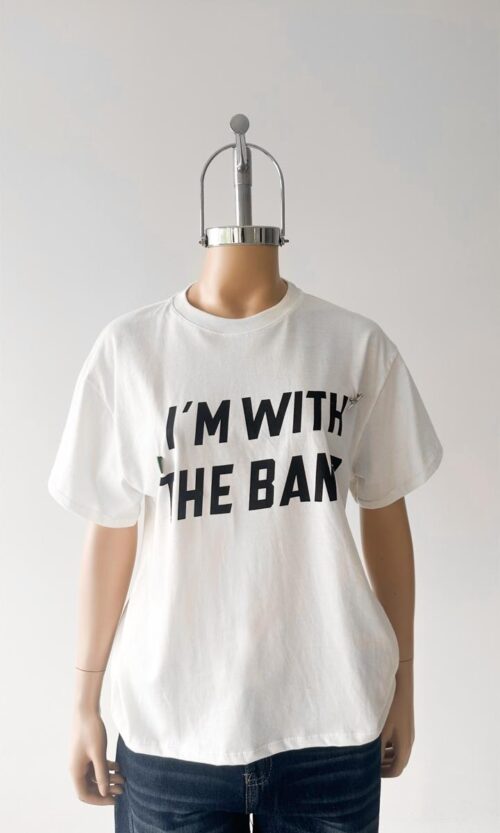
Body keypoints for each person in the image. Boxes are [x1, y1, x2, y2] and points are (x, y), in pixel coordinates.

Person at [47, 242, 443, 833]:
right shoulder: (129, 351)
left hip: (329, 718)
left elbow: (385, 514)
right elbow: (110, 529)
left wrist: (404, 682)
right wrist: (84, 700)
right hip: (172, 725)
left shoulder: (355, 346)